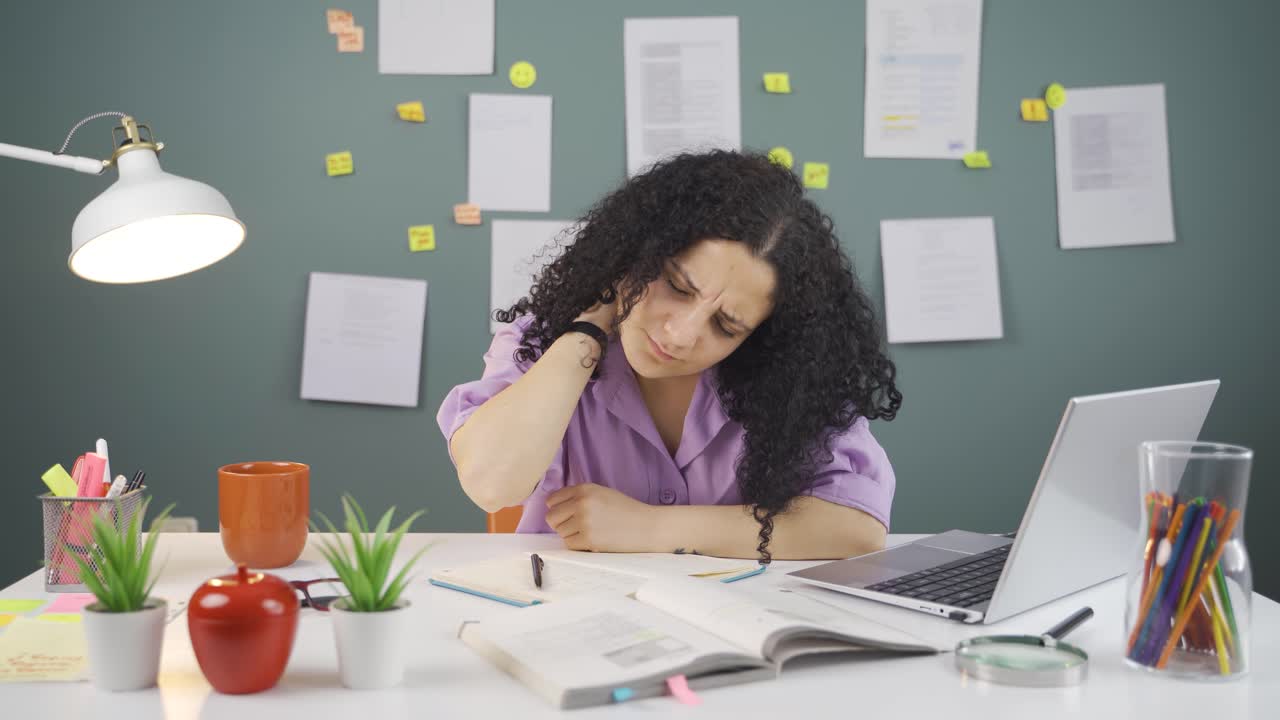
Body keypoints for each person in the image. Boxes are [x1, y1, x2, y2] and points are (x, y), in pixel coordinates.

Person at [437, 150, 902, 562]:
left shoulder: (790, 379)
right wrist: (589, 327)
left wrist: (650, 528)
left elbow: (857, 527)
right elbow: (491, 483)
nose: (680, 335)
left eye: (726, 325)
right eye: (677, 286)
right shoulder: (542, 341)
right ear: (638, 251)